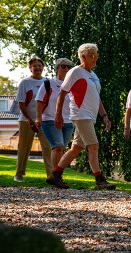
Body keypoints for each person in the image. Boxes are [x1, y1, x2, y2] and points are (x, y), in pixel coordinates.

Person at [46, 43, 115, 190]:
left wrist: (104, 115)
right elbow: (62, 93)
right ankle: (99, 180)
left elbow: (97, 97)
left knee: (76, 148)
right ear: (83, 57)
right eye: (92, 55)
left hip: (90, 115)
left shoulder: (93, 76)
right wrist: (58, 115)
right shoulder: (75, 72)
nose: (95, 58)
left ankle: (55, 175)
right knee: (93, 146)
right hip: (80, 114)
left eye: (96, 55)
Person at [13, 55, 52, 182]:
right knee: (24, 147)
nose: (37, 68)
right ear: (30, 68)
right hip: (26, 120)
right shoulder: (25, 83)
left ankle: (51, 175)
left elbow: (50, 102)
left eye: (39, 66)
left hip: (43, 120)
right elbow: (21, 103)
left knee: (47, 147)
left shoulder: (47, 81)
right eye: (34, 66)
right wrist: (30, 120)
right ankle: (18, 174)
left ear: (43, 68)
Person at [35, 58, 75, 174]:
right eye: (63, 66)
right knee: (57, 146)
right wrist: (38, 118)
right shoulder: (49, 83)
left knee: (61, 149)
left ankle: (57, 176)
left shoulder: (72, 84)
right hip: (50, 119)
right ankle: (54, 176)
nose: (66, 69)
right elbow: (39, 101)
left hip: (68, 122)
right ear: (57, 68)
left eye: (69, 67)